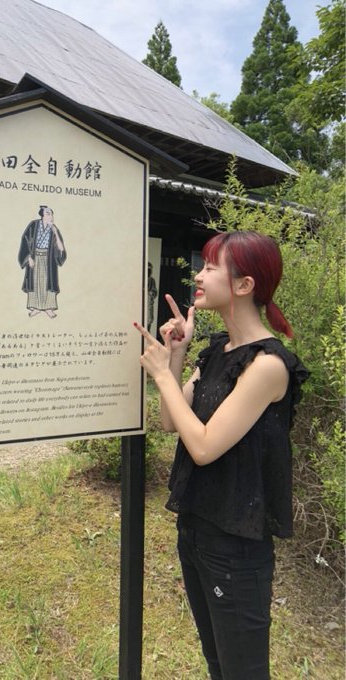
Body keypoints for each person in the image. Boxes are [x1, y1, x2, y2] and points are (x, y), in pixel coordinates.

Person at [134, 230, 309, 680]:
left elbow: (204, 447)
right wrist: (176, 355)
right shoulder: (218, 351)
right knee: (218, 664)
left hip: (236, 550)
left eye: (212, 267)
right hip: (197, 532)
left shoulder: (268, 365)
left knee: (242, 672)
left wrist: (161, 375)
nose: (199, 274)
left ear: (245, 285)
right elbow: (171, 422)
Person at [18, 205, 67, 318]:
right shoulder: (33, 225)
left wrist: (56, 232)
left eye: (52, 214)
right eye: (48, 214)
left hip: (49, 260)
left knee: (48, 283)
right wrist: (28, 258)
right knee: (35, 282)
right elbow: (25, 241)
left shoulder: (54, 229)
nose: (51, 216)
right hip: (35, 258)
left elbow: (61, 249)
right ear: (42, 216)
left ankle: (49, 308)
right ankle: (35, 308)